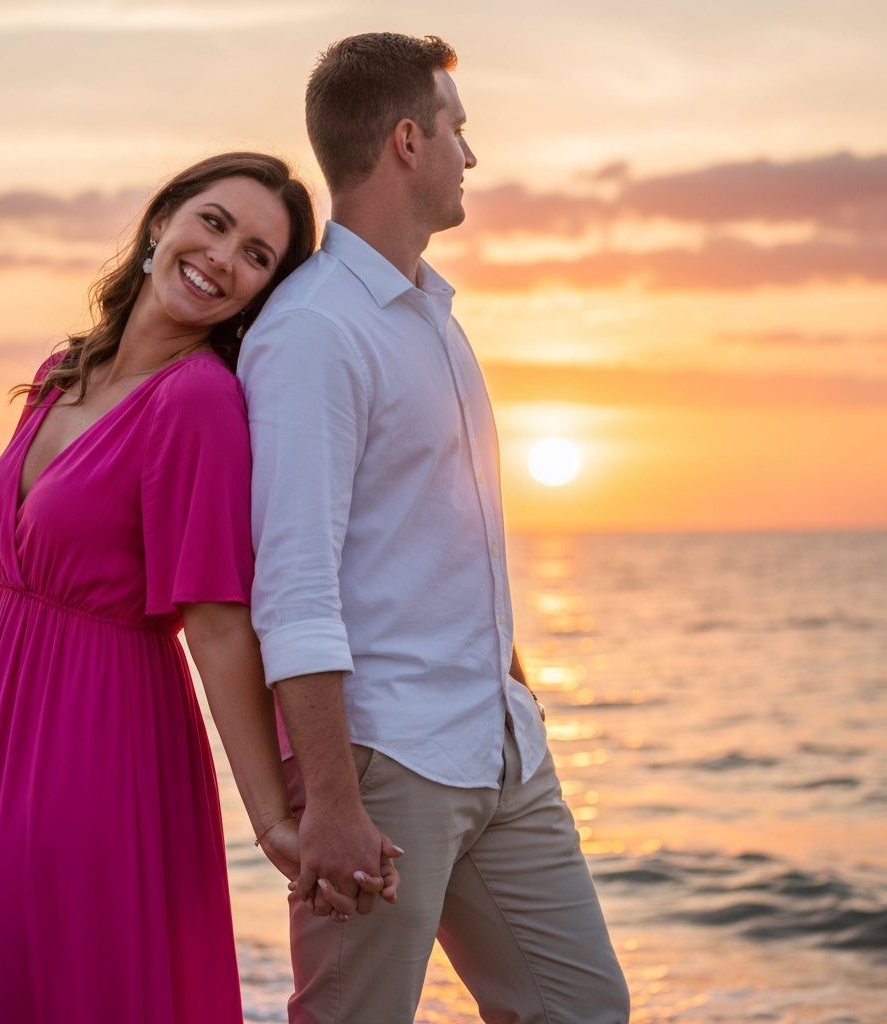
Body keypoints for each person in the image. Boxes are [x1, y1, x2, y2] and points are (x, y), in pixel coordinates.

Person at [0, 152, 394, 1024]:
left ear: (259, 295)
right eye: (215, 223)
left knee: (56, 979)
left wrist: (272, 817)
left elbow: (219, 624)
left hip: (95, 740)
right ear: (162, 223)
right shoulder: (62, 370)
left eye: (259, 257)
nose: (224, 257)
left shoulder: (196, 405)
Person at [239, 34, 632, 1024]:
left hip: (500, 747)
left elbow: (448, 536)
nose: (473, 154)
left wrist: (514, 686)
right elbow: (293, 584)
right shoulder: (313, 332)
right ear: (408, 140)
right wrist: (329, 800)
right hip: (385, 764)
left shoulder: (432, 319)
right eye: (460, 128)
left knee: (582, 1008)